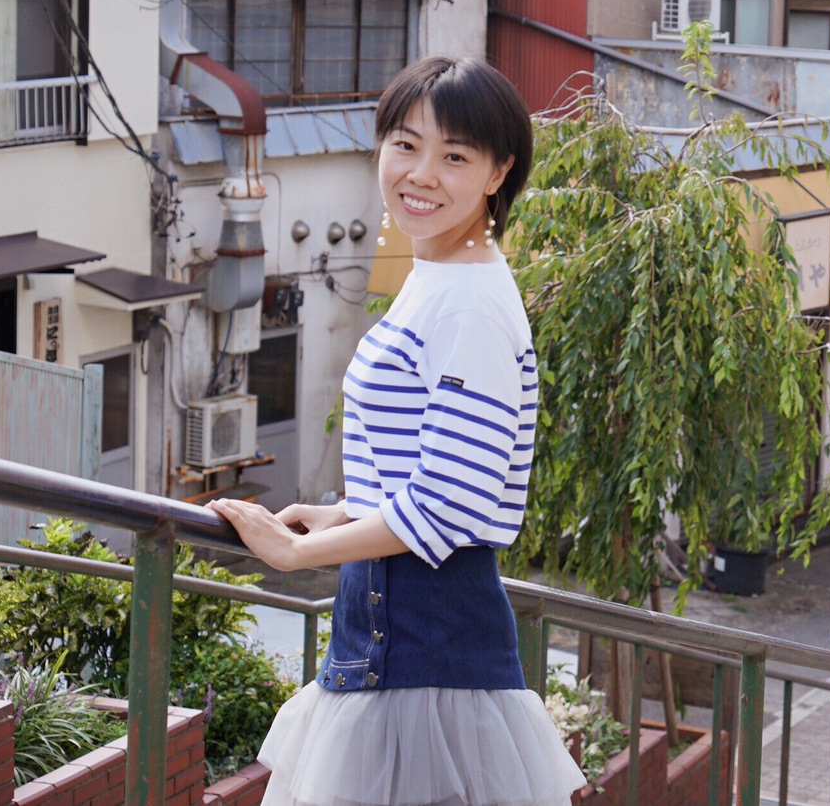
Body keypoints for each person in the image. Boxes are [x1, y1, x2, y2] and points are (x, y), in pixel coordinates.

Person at [208, 57, 586, 806]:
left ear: (497, 172)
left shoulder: (470, 303)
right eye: (406, 145)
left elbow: (448, 504)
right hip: (397, 654)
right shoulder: (439, 273)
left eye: (454, 156)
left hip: (426, 663)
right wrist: (347, 509)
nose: (420, 173)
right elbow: (427, 468)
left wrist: (300, 551)